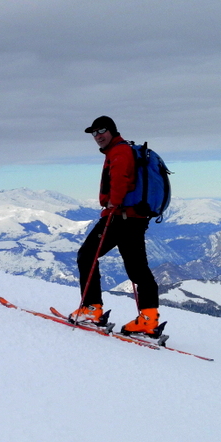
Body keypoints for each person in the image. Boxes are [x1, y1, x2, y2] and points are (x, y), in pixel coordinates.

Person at [70, 115, 162, 335]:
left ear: (112, 130)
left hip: (119, 216)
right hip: (135, 219)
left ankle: (92, 309)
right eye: (94, 133)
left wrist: (115, 201)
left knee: (87, 255)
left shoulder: (119, 151)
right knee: (138, 269)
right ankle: (148, 319)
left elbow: (121, 177)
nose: (98, 136)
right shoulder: (124, 149)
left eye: (101, 131)